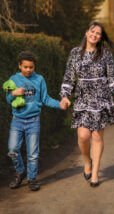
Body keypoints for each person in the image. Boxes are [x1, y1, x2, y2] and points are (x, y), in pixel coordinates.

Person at [60, 21, 114, 187]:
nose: (94, 35)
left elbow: (113, 76)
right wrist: (65, 96)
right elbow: (68, 77)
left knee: (96, 136)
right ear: (86, 32)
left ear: (100, 37)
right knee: (83, 136)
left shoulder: (105, 53)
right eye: (92, 31)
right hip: (82, 98)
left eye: (98, 33)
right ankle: (87, 161)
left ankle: (95, 173)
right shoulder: (75, 53)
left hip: (101, 97)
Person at [5, 51, 66, 191]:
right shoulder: (13, 79)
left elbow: (45, 99)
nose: (28, 70)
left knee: (32, 153)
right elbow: (8, 99)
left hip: (33, 121)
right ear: (19, 65)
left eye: (31, 67)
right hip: (17, 120)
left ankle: (32, 179)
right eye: (25, 67)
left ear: (34, 67)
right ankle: (20, 172)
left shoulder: (39, 79)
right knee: (12, 149)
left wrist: (60, 104)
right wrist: (13, 93)